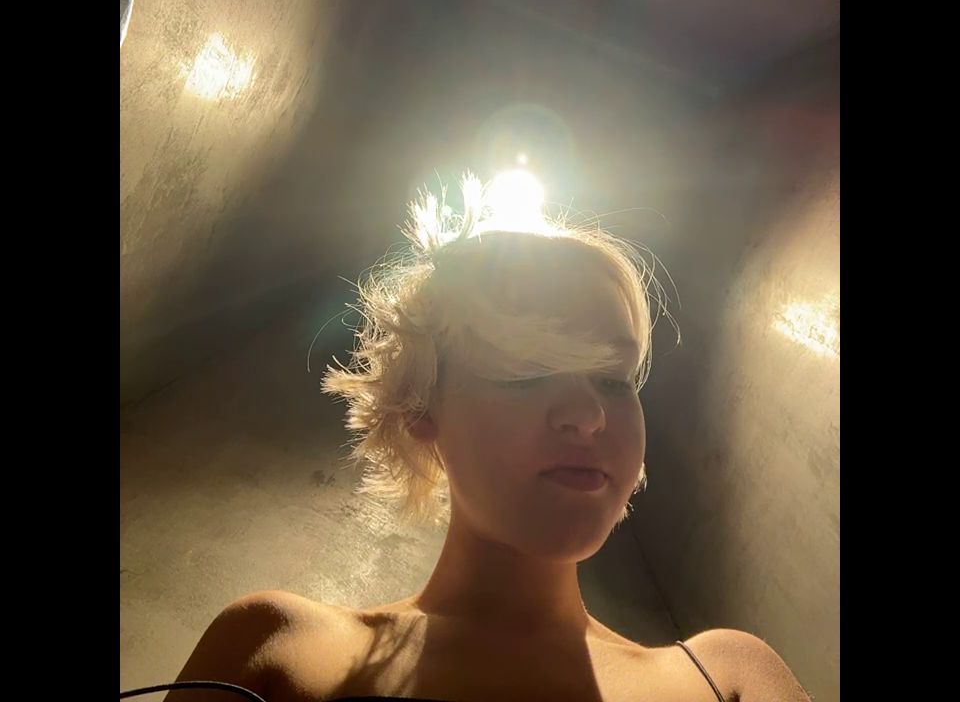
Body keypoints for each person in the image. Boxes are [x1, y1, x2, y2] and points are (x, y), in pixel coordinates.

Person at [165, 175, 810, 701]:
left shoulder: (728, 676)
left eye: (614, 379)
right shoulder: (280, 647)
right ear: (422, 407)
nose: (588, 414)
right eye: (526, 372)